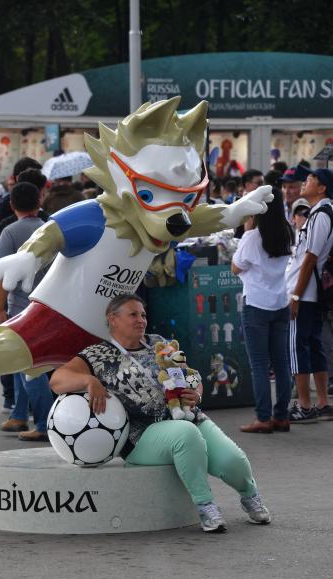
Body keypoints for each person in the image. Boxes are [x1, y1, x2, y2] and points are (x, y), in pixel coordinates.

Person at [50, 293, 271, 534]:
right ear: (112, 319)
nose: (141, 320)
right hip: (141, 435)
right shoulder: (97, 354)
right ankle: (206, 505)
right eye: (133, 314)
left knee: (233, 461)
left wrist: (196, 393)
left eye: (143, 315)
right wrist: (89, 380)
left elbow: (192, 375)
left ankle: (250, 496)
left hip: (187, 416)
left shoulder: (160, 343)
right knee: (185, 435)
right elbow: (58, 380)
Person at [231, 188, 294, 433]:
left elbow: (236, 267)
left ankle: (263, 418)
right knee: (281, 362)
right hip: (281, 302)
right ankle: (282, 416)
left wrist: (247, 230)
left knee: (259, 364)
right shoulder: (287, 231)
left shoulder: (252, 236)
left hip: (256, 304)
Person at [0, 181, 53, 442]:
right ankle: (19, 414)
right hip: (48, 304)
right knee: (20, 362)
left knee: (31, 366)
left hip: (20, 307)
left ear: (11, 205)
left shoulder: (9, 232)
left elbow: (2, 276)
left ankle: (43, 422)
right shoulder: (49, 230)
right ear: (39, 202)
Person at [286, 168, 333, 423]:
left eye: (310, 179)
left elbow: (310, 258)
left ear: (322, 187)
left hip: (304, 293)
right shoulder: (321, 213)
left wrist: (295, 295)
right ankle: (323, 403)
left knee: (298, 346)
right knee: (313, 345)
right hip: (310, 292)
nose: (305, 182)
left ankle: (305, 406)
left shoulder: (320, 216)